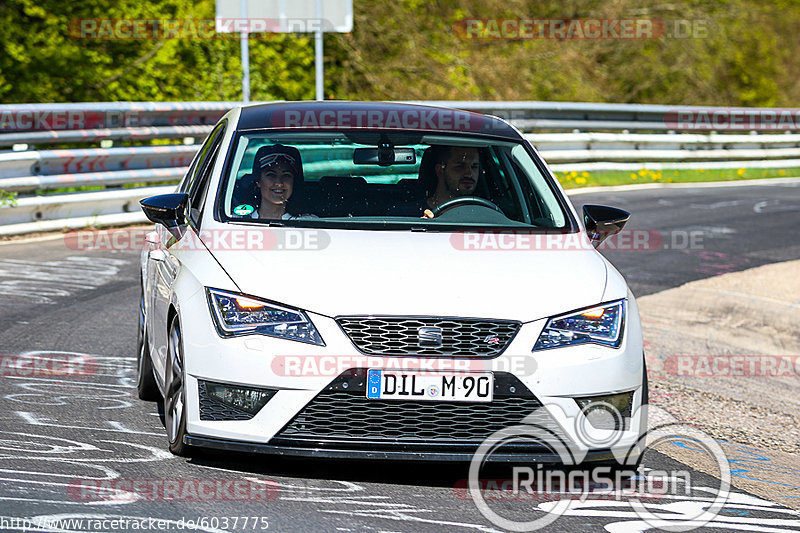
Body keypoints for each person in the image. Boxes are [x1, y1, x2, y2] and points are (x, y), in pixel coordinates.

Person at [421, 145, 481, 218]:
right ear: (440, 170)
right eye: (460, 166)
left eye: (474, 166)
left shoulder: (486, 214)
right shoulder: (408, 216)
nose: (469, 174)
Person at [250, 144, 304, 220]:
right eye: (271, 175)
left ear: (293, 181)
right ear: (258, 181)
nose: (279, 183)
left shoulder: (310, 224)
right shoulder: (236, 222)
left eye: (286, 175)